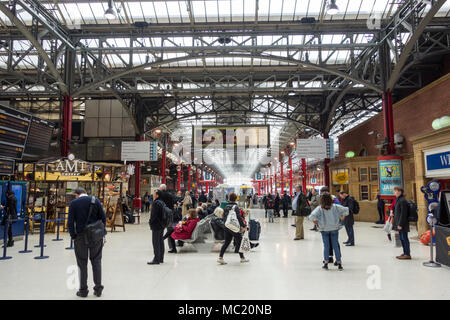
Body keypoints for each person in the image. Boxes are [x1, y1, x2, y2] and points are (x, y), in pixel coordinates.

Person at [68, 187, 106, 297]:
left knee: (82, 263)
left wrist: (73, 236)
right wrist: (100, 232)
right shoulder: (95, 200)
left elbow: (70, 223)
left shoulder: (74, 203)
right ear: (85, 193)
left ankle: (83, 290)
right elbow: (103, 218)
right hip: (95, 237)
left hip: (80, 237)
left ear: (76, 194)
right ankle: (98, 288)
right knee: (96, 261)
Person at [309, 193, 348, 270]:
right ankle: (339, 263)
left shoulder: (320, 208)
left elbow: (311, 216)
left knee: (326, 246)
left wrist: (316, 223)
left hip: (324, 229)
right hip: (334, 228)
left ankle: (326, 263)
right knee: (335, 245)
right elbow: (346, 210)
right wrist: (341, 217)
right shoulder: (335, 207)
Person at [218, 192, 249, 264]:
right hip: (234, 227)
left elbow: (224, 217)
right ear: (235, 199)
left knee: (226, 242)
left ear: (229, 199)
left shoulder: (225, 207)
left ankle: (220, 257)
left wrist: (225, 226)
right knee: (239, 242)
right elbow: (239, 218)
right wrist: (244, 226)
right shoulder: (235, 207)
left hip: (227, 226)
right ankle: (242, 258)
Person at [392, 187, 411, 260]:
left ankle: (407, 254)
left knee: (404, 238)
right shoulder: (398, 199)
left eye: (395, 191)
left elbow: (403, 214)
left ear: (400, 192)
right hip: (399, 223)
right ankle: (405, 252)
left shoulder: (402, 200)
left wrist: (400, 224)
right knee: (402, 239)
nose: (394, 192)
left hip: (402, 224)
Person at [148, 190, 166, 265]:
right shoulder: (162, 202)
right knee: (160, 241)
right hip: (162, 224)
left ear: (157, 195)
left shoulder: (155, 203)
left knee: (155, 242)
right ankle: (161, 258)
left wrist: (151, 222)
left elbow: (154, 215)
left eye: (154, 193)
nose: (153, 195)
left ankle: (156, 259)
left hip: (156, 225)